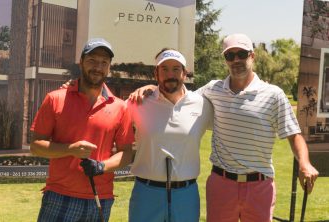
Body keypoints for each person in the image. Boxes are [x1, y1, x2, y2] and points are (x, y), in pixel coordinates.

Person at [129, 34, 319, 222]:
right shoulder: (212, 91)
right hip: (222, 184)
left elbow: (294, 135)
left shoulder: (274, 94)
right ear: (225, 60)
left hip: (259, 185)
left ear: (252, 56)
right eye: (230, 55)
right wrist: (151, 88)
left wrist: (305, 163)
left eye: (241, 54)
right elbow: (178, 95)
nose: (236, 60)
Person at [30, 38, 134, 222]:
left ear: (109, 67)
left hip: (101, 197)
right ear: (81, 63)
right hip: (60, 195)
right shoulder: (55, 98)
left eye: (104, 62)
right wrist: (69, 149)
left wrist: (102, 166)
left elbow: (126, 153)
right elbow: (36, 146)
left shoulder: (120, 107)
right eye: (92, 60)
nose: (98, 67)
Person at [127, 48, 213, 222]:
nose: (170, 74)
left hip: (186, 195)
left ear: (185, 73)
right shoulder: (138, 102)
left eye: (176, 69)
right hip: (146, 193)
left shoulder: (202, 105)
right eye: (164, 69)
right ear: (156, 73)